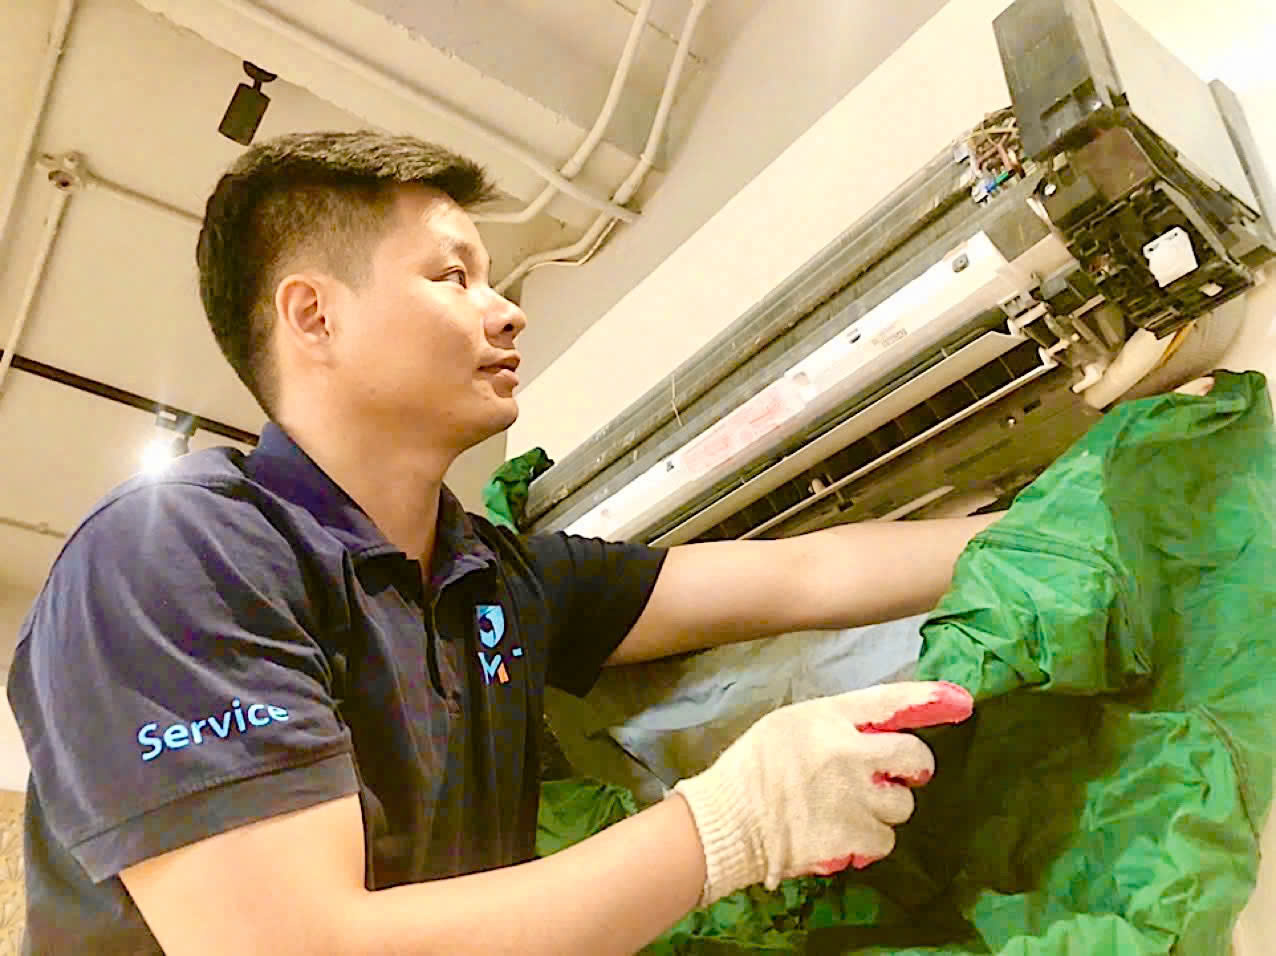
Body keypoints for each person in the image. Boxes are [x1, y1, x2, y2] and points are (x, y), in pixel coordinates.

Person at [8, 131, 1005, 955]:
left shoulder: (495, 576)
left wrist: (1038, 528)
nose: (508, 309)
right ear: (315, 315)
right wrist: (732, 825)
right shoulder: (177, 555)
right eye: (455, 275)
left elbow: (799, 574)